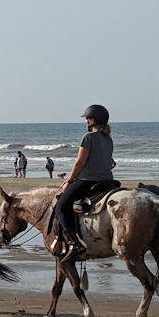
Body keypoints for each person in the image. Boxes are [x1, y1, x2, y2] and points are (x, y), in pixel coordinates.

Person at [55, 104, 117, 262]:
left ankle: (74, 244)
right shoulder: (108, 139)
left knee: (61, 207)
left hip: (88, 180)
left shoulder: (88, 137)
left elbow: (79, 163)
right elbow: (110, 162)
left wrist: (69, 181)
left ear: (93, 120)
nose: (86, 122)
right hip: (108, 181)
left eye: (87, 119)